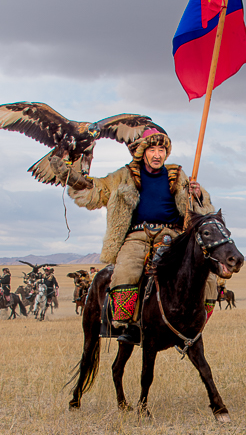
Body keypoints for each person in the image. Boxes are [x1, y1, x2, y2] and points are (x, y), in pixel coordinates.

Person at [51, 124, 216, 345]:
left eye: (161, 150)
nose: (157, 155)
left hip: (174, 236)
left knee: (208, 276)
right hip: (137, 236)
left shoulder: (178, 175)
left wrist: (197, 195)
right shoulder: (123, 176)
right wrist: (71, 177)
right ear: (142, 151)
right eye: (152, 150)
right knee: (126, 271)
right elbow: (95, 191)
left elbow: (202, 212)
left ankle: (194, 324)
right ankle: (127, 326)